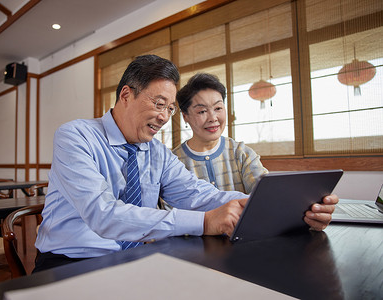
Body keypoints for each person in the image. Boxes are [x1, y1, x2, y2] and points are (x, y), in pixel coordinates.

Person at [34, 55, 338, 272]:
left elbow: (199, 195)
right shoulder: (75, 136)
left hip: (136, 260)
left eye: (169, 109)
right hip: (70, 263)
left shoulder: (158, 153)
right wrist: (204, 222)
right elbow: (103, 215)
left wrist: (286, 207)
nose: (165, 118)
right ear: (126, 95)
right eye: (158, 105)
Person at [173, 73, 267, 194]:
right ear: (185, 116)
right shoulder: (174, 162)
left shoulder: (241, 153)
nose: (213, 118)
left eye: (218, 108)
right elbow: (172, 210)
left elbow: (265, 194)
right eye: (202, 111)